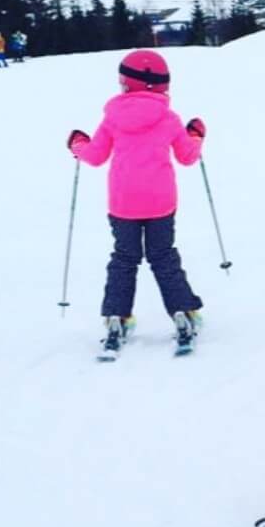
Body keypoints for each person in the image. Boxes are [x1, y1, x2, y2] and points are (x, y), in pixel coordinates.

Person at [67, 49, 206, 356]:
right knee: (163, 256)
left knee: (124, 259)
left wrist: (78, 144)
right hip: (160, 202)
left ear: (126, 82)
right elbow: (187, 157)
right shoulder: (169, 119)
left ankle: (117, 317)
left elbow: (96, 156)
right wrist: (196, 136)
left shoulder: (112, 118)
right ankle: (183, 312)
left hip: (123, 203)